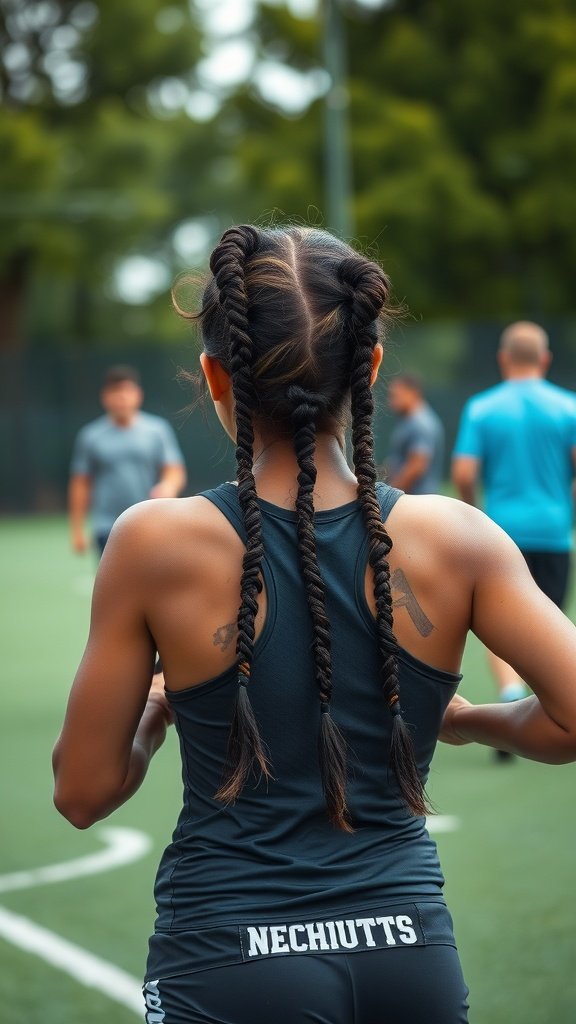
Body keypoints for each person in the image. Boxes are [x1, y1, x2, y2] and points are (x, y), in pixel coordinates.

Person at [53, 227, 576, 1024]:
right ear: (370, 368)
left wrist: (157, 714)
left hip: (229, 959)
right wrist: (467, 723)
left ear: (215, 375)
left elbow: (82, 792)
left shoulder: (151, 542)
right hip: (410, 955)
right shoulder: (459, 538)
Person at [452, 322, 576, 717]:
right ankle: (545, 709)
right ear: (545, 359)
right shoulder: (569, 408)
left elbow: (464, 474)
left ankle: (510, 693)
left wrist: (476, 514)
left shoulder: (482, 408)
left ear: (503, 359)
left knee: (500, 626)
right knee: (550, 625)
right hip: (554, 533)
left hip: (502, 536)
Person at [68, 364, 187, 556]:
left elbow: (174, 469)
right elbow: (81, 482)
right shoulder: (91, 436)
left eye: (127, 390)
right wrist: (77, 529)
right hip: (108, 528)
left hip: (150, 523)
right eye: (115, 391)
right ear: (105, 397)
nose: (122, 397)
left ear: (138, 395)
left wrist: (168, 486)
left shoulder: (157, 430)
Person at [385, 373, 444, 493]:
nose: (391, 402)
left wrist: (390, 494)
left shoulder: (420, 423)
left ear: (413, 393)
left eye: (396, 396)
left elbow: (417, 466)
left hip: (417, 499)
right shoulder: (409, 421)